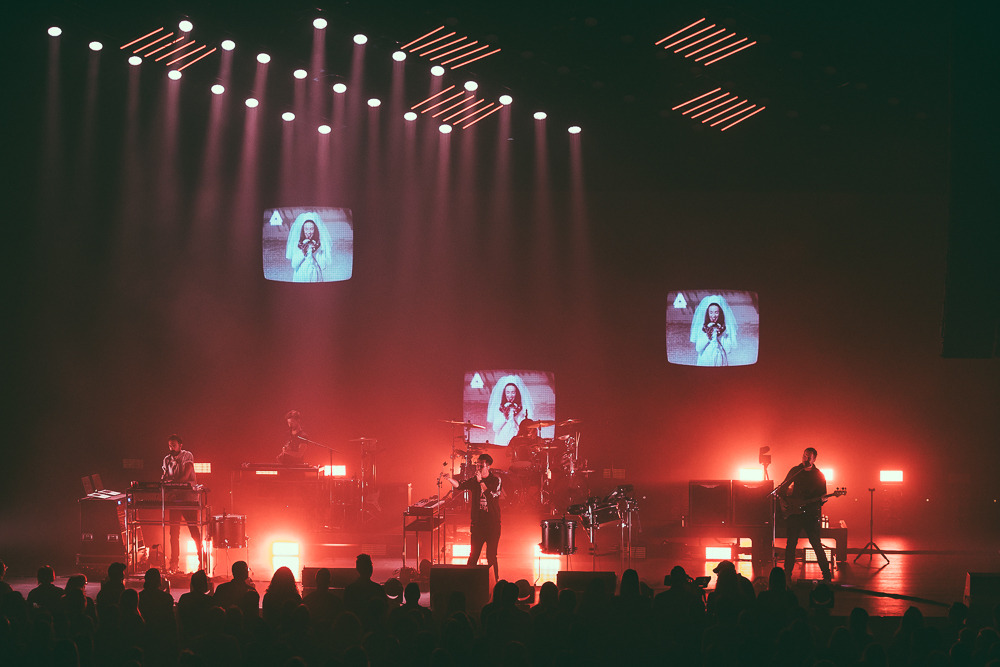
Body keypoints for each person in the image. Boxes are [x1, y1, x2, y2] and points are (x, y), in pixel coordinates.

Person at [778, 447, 833, 581]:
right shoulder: (796, 471)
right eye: (804, 456)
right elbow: (782, 488)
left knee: (816, 544)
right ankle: (787, 575)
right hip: (794, 513)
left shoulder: (819, 474)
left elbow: (823, 496)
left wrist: (820, 501)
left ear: (814, 459)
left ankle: (826, 574)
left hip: (810, 514)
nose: (805, 459)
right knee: (791, 544)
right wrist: (784, 501)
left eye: (809, 457)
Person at [447, 453, 502, 582]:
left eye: (480, 465)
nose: (478, 467)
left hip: (492, 524)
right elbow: (460, 485)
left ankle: (495, 582)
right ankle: (467, 581)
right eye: (477, 464)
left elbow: (491, 496)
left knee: (491, 556)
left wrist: (481, 481)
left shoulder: (495, 480)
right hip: (478, 524)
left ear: (488, 466)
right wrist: (449, 479)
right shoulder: (474, 481)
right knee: (473, 555)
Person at [162, 434, 204, 573]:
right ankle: (174, 563)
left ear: (180, 445)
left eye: (173, 445)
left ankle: (201, 561)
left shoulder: (187, 455)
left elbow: (186, 475)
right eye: (169, 445)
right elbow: (164, 476)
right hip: (174, 499)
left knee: (194, 531)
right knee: (173, 532)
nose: (171, 448)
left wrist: (173, 484)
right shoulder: (167, 459)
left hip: (188, 499)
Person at [689, 294, 738, 367]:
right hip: (705, 360)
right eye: (711, 312)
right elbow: (698, 348)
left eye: (716, 312)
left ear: (720, 313)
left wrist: (720, 335)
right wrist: (708, 336)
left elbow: (728, 350)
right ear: (707, 313)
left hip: (719, 360)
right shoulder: (703, 327)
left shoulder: (724, 328)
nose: (713, 316)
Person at [286, 212, 333, 282]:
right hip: (301, 276)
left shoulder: (319, 244)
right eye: (306, 229)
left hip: (315, 276)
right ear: (303, 230)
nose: (309, 232)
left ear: (315, 230)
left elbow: (323, 266)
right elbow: (294, 265)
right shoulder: (297, 243)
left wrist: (315, 252)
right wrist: (303, 252)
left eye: (311, 229)